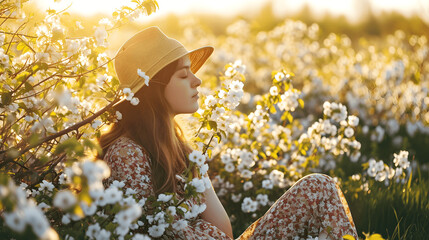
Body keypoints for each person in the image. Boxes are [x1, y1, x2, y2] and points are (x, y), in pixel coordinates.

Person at [98, 26, 358, 239]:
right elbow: (159, 233)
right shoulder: (127, 153)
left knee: (319, 185)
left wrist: (193, 165)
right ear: (153, 88)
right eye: (182, 75)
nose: (197, 80)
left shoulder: (179, 149)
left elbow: (224, 231)